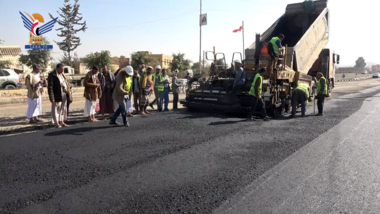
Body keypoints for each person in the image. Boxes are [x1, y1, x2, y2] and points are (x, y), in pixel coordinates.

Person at [48, 63, 72, 128]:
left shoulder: (62, 75)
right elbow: (50, 87)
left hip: (64, 93)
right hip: (57, 94)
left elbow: (65, 83)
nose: (62, 70)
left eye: (63, 69)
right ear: (57, 68)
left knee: (62, 108)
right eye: (61, 69)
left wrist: (68, 86)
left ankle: (61, 121)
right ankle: (56, 123)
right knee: (56, 109)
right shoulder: (52, 75)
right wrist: (51, 97)